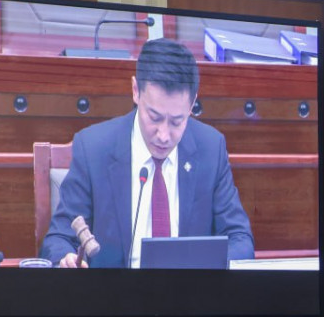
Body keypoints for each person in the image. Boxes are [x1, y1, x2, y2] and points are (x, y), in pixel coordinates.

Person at [42, 38, 254, 268]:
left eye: (176, 121)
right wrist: (66, 259)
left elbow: (240, 239)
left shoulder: (211, 148)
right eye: (154, 117)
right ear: (135, 91)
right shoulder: (93, 148)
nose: (163, 135)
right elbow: (59, 239)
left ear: (192, 103)